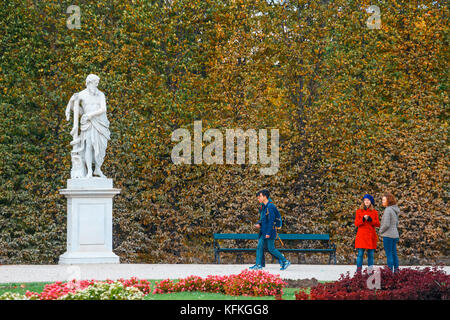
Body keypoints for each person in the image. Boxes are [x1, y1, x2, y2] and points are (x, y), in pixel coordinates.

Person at [249, 190, 290, 271]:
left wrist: (268, 233)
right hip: (264, 231)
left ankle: (285, 261)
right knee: (259, 247)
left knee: (271, 249)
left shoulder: (270, 206)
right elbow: (264, 219)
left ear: (265, 196)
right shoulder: (264, 207)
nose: (258, 199)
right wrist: (259, 224)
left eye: (259, 196)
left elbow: (271, 221)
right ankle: (258, 265)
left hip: (269, 231)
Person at [354, 194, 380, 274]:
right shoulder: (359, 211)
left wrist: (371, 220)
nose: (366, 202)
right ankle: (358, 271)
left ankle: (370, 271)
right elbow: (356, 223)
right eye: (365, 200)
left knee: (371, 255)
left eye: (368, 200)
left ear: (371, 202)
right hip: (361, 235)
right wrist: (363, 219)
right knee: (360, 254)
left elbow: (378, 224)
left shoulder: (374, 212)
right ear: (363, 201)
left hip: (370, 236)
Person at [379, 192, 400, 273]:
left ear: (388, 200)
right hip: (395, 235)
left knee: (389, 255)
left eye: (384, 200)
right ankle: (396, 271)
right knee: (394, 254)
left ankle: (389, 273)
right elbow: (396, 223)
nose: (382, 202)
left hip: (388, 235)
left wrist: (380, 231)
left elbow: (386, 224)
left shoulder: (388, 210)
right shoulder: (395, 210)